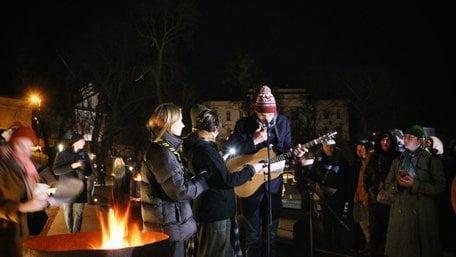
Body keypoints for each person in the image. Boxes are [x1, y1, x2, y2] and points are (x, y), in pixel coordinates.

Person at [182, 104, 264, 257]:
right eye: (217, 126)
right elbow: (226, 179)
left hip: (214, 211)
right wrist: (251, 169)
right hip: (215, 213)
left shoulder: (197, 147)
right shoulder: (204, 149)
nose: (219, 129)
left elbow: (213, 172)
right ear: (213, 128)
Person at [223, 85, 293, 257]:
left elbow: (286, 151)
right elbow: (230, 148)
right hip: (250, 188)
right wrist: (253, 140)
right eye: (263, 115)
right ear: (255, 111)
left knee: (272, 236)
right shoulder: (244, 124)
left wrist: (294, 154)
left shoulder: (283, 122)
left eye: (270, 114)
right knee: (253, 237)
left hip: (273, 187)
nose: (267, 118)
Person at [140, 102, 209, 257]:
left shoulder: (166, 149)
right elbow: (179, 191)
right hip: (167, 227)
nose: (183, 124)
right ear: (168, 123)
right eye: (179, 120)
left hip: (169, 225)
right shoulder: (162, 153)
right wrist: (202, 181)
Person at [384, 125, 446, 257]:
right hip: (400, 215)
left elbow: (440, 187)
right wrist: (398, 185)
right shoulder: (397, 161)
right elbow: (388, 185)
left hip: (422, 216)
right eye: (404, 137)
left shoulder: (432, 161)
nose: (405, 140)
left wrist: (415, 184)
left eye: (410, 137)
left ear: (419, 140)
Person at [0, 125, 49, 257]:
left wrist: (43, 194)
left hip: (24, 232)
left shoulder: (27, 166)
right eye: (21, 144)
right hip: (5, 235)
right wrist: (22, 207)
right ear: (12, 143)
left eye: (29, 146)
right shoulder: (3, 164)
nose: (26, 150)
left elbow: (30, 188)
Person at [306, 139, 352, 251]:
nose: (329, 149)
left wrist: (343, 192)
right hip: (324, 194)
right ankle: (328, 243)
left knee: (337, 220)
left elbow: (347, 177)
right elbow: (312, 175)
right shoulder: (318, 159)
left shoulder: (341, 160)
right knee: (326, 220)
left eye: (332, 146)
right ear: (323, 147)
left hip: (338, 195)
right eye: (327, 146)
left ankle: (337, 243)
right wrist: (315, 184)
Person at [364, 130, 402, 257]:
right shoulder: (374, 157)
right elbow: (367, 177)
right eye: (383, 140)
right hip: (375, 200)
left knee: (390, 230)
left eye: (388, 140)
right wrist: (371, 189)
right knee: (375, 230)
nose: (386, 142)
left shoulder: (397, 157)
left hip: (392, 199)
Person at [53, 132, 92, 233]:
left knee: (79, 213)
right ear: (76, 142)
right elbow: (56, 170)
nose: (84, 142)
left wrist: (84, 170)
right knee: (68, 211)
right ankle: (70, 234)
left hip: (80, 187)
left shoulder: (84, 155)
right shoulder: (62, 154)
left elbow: (89, 171)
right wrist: (72, 166)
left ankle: (76, 234)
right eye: (83, 140)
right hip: (67, 187)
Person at [352, 140, 374, 256]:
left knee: (368, 223)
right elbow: (360, 181)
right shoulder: (362, 163)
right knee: (363, 223)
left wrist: (367, 195)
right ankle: (367, 244)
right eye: (358, 150)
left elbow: (370, 181)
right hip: (360, 198)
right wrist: (357, 193)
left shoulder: (370, 163)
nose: (360, 152)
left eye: (363, 150)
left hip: (367, 199)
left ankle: (369, 245)